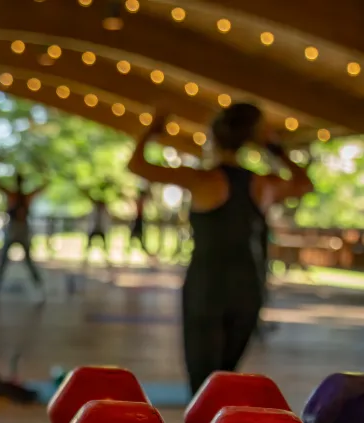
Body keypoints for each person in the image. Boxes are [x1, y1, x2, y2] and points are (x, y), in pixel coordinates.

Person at [128, 104, 313, 394]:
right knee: (225, 378)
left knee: (203, 384)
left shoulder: (202, 179)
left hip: (207, 285)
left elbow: (136, 166)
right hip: (248, 286)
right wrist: (276, 150)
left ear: (213, 137)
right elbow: (304, 184)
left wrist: (151, 131)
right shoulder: (261, 183)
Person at [0, 169, 49, 301]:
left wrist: (43, 170)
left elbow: (43, 187)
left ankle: (39, 289)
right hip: (14, 229)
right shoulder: (13, 195)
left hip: (21, 229)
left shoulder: (24, 196)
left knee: (26, 261)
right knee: (4, 260)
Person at [80, 184, 112, 269]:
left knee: (104, 246)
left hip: (100, 228)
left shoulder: (104, 211)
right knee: (89, 246)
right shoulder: (95, 210)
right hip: (94, 228)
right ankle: (85, 261)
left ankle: (106, 261)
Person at [130, 183, 156, 258]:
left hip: (140, 219)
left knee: (139, 235)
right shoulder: (139, 201)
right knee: (136, 235)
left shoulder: (142, 201)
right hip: (137, 219)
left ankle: (142, 249)